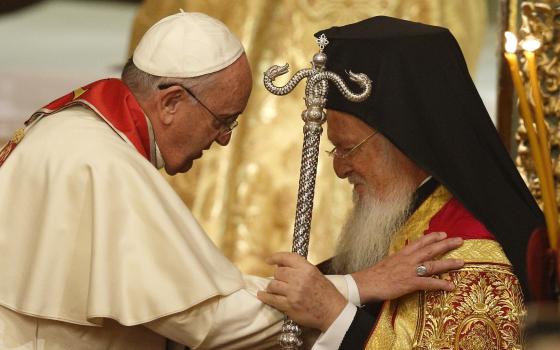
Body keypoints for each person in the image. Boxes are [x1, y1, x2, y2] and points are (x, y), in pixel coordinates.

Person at [0, 11, 463, 350]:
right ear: (171, 102)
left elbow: (193, 290)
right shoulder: (102, 163)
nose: (222, 140)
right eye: (222, 120)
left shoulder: (74, 130)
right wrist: (357, 287)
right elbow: (210, 321)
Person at [259, 16, 545, 349]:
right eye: (333, 149)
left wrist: (334, 315)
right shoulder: (399, 220)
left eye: (349, 148)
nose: (339, 168)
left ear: (406, 141)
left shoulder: (463, 254)